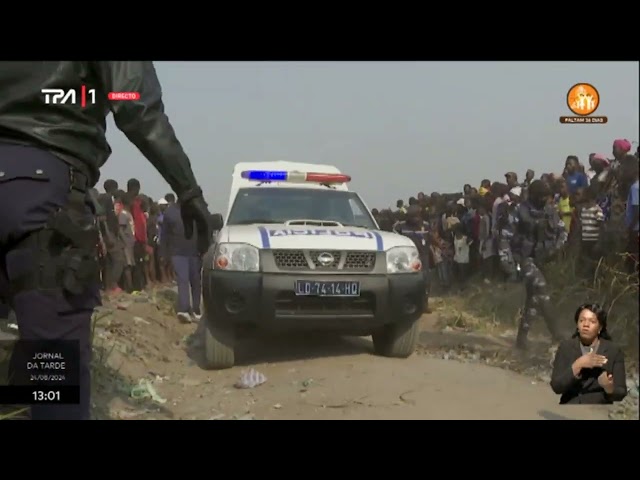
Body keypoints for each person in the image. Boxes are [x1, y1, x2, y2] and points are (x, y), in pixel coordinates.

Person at [0, 61, 213, 420]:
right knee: (55, 373)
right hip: (40, 194)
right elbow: (133, 106)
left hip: (32, 194)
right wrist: (188, 191)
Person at [511, 180, 567, 349]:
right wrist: (508, 262)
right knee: (541, 288)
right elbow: (505, 236)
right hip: (524, 258)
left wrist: (555, 249)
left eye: (546, 196)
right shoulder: (519, 211)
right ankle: (556, 332)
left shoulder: (550, 211)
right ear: (533, 195)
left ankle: (522, 338)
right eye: (541, 196)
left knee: (534, 298)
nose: (544, 199)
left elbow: (562, 231)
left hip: (544, 258)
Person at [550, 303, 627, 404]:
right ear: (577, 325)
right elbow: (556, 387)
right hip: (569, 407)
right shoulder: (566, 347)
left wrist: (608, 387)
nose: (586, 325)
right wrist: (578, 365)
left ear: (600, 327)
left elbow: (621, 392)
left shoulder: (613, 351)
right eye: (582, 320)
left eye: (592, 321)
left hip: (597, 410)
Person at [162, 199, 203, 322]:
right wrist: (163, 254)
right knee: (183, 279)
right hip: (178, 253)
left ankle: (196, 310)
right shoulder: (170, 212)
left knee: (195, 281)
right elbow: (165, 235)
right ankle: (183, 310)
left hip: (195, 253)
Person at [394, 205, 432, 313]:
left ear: (419, 215)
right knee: (408, 282)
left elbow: (431, 237)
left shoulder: (426, 225)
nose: (414, 219)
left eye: (415, 216)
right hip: (407, 258)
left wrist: (439, 246)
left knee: (426, 281)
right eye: (411, 216)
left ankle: (424, 304)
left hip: (423, 256)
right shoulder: (400, 227)